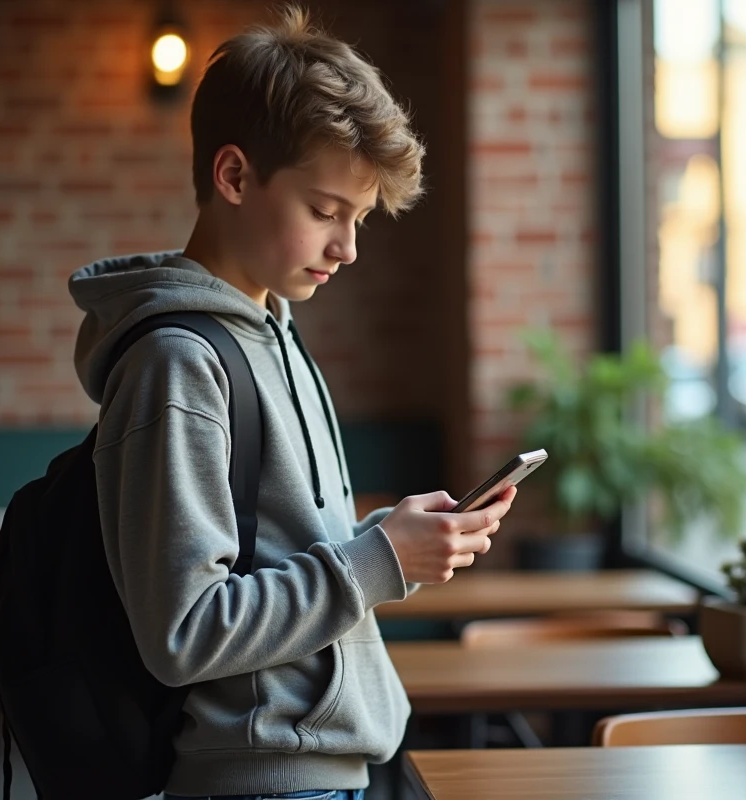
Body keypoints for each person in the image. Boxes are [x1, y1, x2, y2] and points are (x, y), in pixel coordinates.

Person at [67, 7, 517, 800]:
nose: (348, 247)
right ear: (234, 176)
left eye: (359, 218)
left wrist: (395, 540)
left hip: (326, 768)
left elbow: (280, 551)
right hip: (264, 780)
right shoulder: (179, 365)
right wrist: (379, 562)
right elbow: (184, 631)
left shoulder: (272, 330)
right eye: (325, 211)